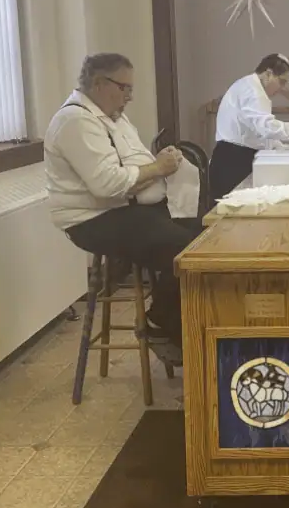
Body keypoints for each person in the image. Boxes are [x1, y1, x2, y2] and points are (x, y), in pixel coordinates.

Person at [44, 52, 199, 364]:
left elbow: (134, 166)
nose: (129, 96)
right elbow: (108, 185)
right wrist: (157, 169)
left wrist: (161, 164)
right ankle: (164, 325)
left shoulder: (114, 116)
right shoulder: (75, 121)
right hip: (94, 219)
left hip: (129, 207)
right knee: (187, 252)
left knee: (207, 236)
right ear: (100, 83)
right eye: (124, 88)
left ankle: (198, 329)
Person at [208, 53, 289, 202]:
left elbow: (260, 134)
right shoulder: (254, 92)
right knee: (230, 214)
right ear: (268, 74)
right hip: (233, 161)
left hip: (235, 155)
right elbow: (267, 128)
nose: (282, 88)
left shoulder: (248, 86)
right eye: (282, 82)